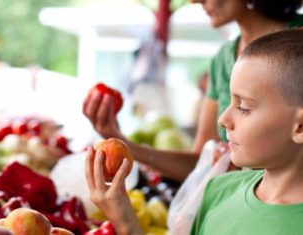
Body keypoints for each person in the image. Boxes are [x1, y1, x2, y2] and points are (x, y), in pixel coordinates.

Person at [86, 28, 303, 235]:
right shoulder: (218, 190)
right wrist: (125, 220)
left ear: (300, 126)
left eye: (243, 107)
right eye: (230, 101)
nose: (223, 119)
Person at [83, 0, 303, 181]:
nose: (194, 1)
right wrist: (122, 143)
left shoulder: (298, 43)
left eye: (244, 106)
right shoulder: (222, 61)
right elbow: (200, 164)